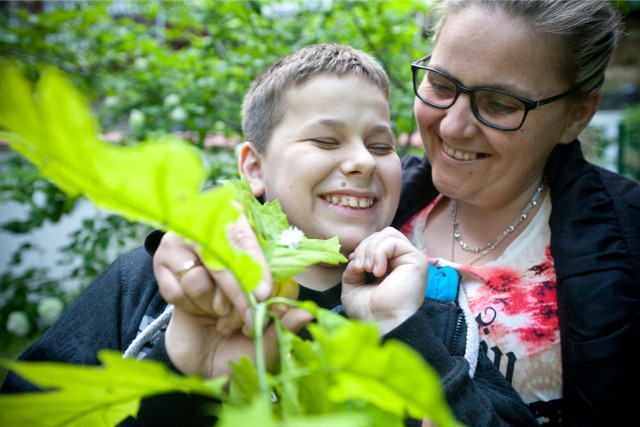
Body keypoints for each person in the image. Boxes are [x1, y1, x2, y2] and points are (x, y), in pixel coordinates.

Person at [0, 43, 537, 426]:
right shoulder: (152, 288)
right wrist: (182, 372)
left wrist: (402, 330)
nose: (360, 162)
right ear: (254, 168)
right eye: (326, 141)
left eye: (380, 146)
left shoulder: (436, 311)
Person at [392, 1, 640, 425]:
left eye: (499, 104)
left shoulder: (628, 240)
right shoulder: (369, 203)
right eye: (440, 83)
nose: (452, 126)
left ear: (576, 115)